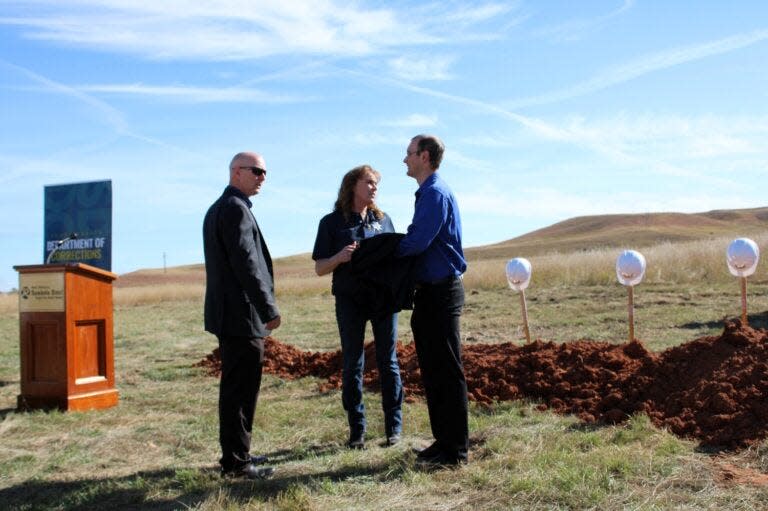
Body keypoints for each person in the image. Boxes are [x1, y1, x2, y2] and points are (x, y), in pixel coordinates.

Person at [312, 165, 404, 449]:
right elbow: (319, 267)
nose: (375, 187)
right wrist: (339, 257)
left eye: (377, 183)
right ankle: (357, 431)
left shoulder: (383, 220)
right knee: (353, 362)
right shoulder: (331, 223)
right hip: (350, 300)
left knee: (388, 361)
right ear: (353, 185)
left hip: (383, 300)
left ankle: (394, 429)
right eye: (369, 182)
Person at [203, 151, 281, 479]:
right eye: (257, 171)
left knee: (239, 387)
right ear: (237, 173)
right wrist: (268, 309)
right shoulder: (234, 210)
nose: (263, 177)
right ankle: (236, 463)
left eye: (265, 172)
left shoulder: (224, 208)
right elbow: (246, 264)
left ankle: (239, 454)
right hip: (240, 315)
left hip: (233, 314)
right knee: (240, 389)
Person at [396, 134, 469, 467]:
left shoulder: (435, 193)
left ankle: (456, 451)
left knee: (447, 371)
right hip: (429, 292)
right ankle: (443, 442)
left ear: (424, 156)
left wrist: (381, 252)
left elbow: (417, 242)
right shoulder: (428, 193)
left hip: (441, 291)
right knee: (434, 371)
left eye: (409, 154)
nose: (405, 159)